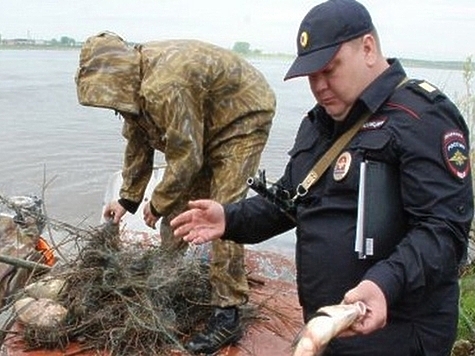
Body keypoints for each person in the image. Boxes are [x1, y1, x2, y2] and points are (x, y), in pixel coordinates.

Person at [171, 0, 474, 355]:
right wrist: (229, 217)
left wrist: (384, 284)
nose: (319, 85)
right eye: (311, 75)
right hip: (328, 325)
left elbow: (444, 231)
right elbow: (289, 203)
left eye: (330, 70)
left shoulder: (420, 116)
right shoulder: (318, 124)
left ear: (368, 48)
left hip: (396, 331)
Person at [74, 32, 276, 354]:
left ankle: (228, 313)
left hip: (241, 118)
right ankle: (167, 277)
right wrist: (128, 198)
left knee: (222, 215)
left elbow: (187, 156)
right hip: (203, 124)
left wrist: (157, 202)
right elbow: (138, 144)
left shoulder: (165, 85)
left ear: (118, 74)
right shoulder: (131, 90)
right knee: (180, 215)